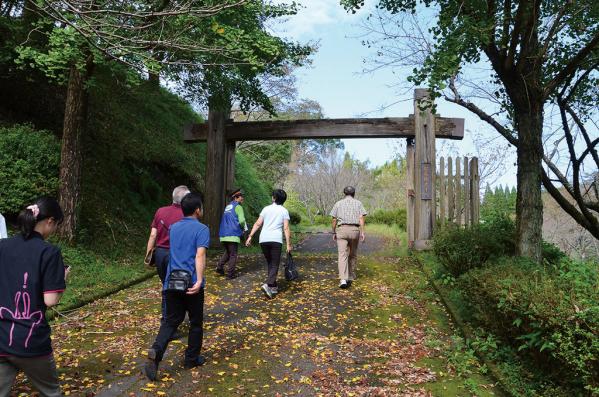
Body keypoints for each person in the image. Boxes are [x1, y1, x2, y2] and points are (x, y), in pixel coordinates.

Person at [0, 197, 69, 397]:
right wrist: (61, 279)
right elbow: (51, 300)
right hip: (31, 342)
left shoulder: (3, 246)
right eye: (56, 225)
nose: (55, 229)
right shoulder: (49, 252)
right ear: (49, 221)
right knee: (51, 392)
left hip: (2, 337)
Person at [144, 192, 209, 381]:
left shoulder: (174, 228)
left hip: (172, 281)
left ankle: (156, 351)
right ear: (198, 210)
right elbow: (199, 255)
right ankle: (191, 358)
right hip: (190, 283)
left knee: (171, 321)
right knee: (195, 322)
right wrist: (198, 280)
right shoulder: (202, 229)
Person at [145, 185, 190, 325]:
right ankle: (171, 321)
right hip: (176, 256)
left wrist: (148, 255)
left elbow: (153, 235)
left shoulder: (160, 211)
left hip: (160, 255)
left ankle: (166, 318)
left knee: (166, 286)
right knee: (177, 288)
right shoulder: (186, 215)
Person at [245, 189, 292, 299]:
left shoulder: (266, 209)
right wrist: (288, 244)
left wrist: (250, 236)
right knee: (275, 264)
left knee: (270, 263)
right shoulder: (284, 211)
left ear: (274, 198)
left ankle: (273, 287)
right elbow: (286, 228)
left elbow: (258, 223)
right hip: (275, 240)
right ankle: (269, 284)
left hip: (264, 239)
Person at [329, 186, 367, 289]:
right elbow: (361, 218)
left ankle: (343, 279)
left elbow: (334, 219)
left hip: (342, 230)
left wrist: (333, 232)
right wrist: (362, 232)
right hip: (354, 230)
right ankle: (350, 276)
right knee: (353, 254)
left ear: (344, 193)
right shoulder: (358, 203)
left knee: (342, 255)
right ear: (354, 193)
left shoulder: (338, 203)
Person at [216, 189, 247, 279]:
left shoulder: (228, 207)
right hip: (233, 234)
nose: (242, 198)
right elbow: (241, 220)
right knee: (233, 255)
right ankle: (230, 274)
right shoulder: (238, 207)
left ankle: (219, 267)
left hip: (223, 234)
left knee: (228, 252)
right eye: (241, 197)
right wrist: (243, 228)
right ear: (236, 198)